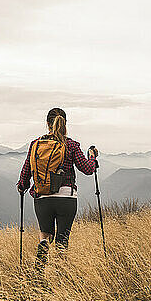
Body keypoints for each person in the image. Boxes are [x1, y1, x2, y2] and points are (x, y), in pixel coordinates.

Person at [17, 107, 98, 276]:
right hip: (66, 199)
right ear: (65, 123)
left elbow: (26, 172)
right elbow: (88, 169)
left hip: (42, 198)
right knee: (62, 240)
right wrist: (92, 156)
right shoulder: (72, 145)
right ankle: (60, 275)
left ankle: (43, 252)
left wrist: (22, 186)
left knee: (45, 234)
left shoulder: (36, 145)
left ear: (47, 124)